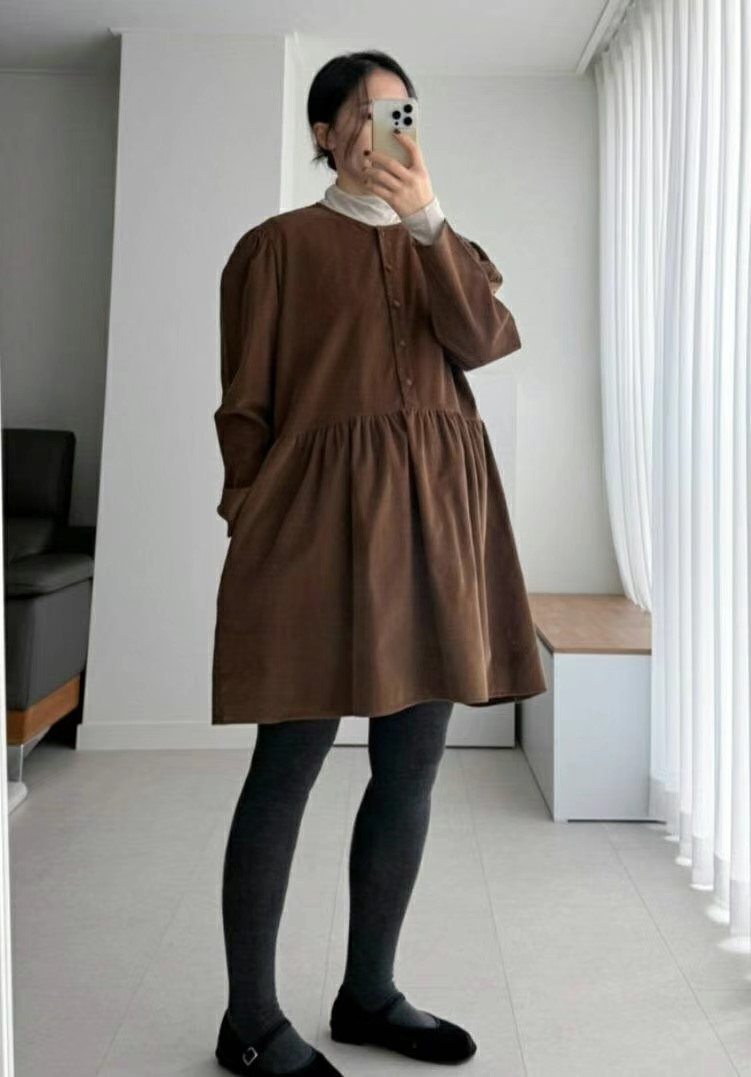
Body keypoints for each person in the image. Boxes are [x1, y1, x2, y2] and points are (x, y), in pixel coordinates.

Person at [213, 49, 546, 1077]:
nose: (385, 128)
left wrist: (428, 219)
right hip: (316, 526)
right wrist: (251, 514)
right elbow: (246, 406)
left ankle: (368, 993)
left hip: (437, 521)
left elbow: (483, 339)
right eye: (365, 112)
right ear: (324, 134)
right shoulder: (274, 248)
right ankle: (249, 1021)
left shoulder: (445, 243)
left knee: (410, 766)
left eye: (402, 111)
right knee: (288, 765)